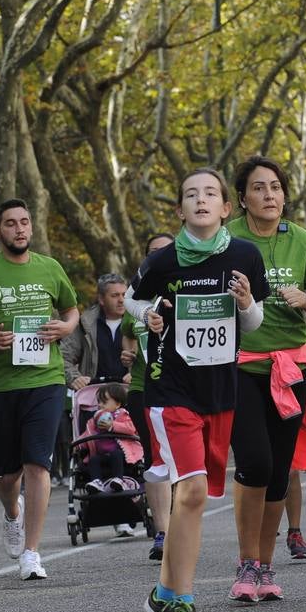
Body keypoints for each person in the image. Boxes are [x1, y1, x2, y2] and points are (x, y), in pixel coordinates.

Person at [127, 167, 268, 612]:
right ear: (181, 209)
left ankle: (164, 593)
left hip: (220, 391)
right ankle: (182, 604)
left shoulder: (245, 255)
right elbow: (132, 300)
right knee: (187, 493)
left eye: (210, 194)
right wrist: (146, 313)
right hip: (171, 389)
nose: (201, 200)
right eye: (191, 195)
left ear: (227, 208)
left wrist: (246, 302)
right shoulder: (164, 262)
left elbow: (252, 324)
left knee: (201, 497)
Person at [226, 156, 306, 601]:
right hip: (238, 366)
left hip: (290, 368)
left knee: (278, 472)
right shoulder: (226, 241)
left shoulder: (301, 240)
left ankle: (266, 566)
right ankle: (246, 561)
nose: (269, 195)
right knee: (254, 462)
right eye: (258, 188)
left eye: (275, 187)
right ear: (242, 198)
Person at [0, 198, 80, 582]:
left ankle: (32, 551)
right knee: (7, 475)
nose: (19, 229)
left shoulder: (49, 267)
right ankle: (12, 512)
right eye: (10, 223)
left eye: (24, 222)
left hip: (44, 380)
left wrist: (65, 328)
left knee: (37, 464)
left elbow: (71, 310)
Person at [122, 233, 176, 560]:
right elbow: (128, 345)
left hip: (182, 390)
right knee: (156, 458)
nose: (160, 257)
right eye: (153, 253)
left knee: (180, 462)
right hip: (144, 387)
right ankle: (163, 533)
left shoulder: (187, 293)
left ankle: (180, 525)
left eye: (166, 251)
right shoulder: (136, 303)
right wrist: (127, 358)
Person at [63, 273, 131, 389]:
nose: (121, 300)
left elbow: (155, 357)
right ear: (101, 299)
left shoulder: (140, 323)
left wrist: (138, 375)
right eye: (115, 295)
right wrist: (74, 378)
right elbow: (63, 358)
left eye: (124, 295)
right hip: (93, 396)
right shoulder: (84, 324)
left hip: (131, 394)